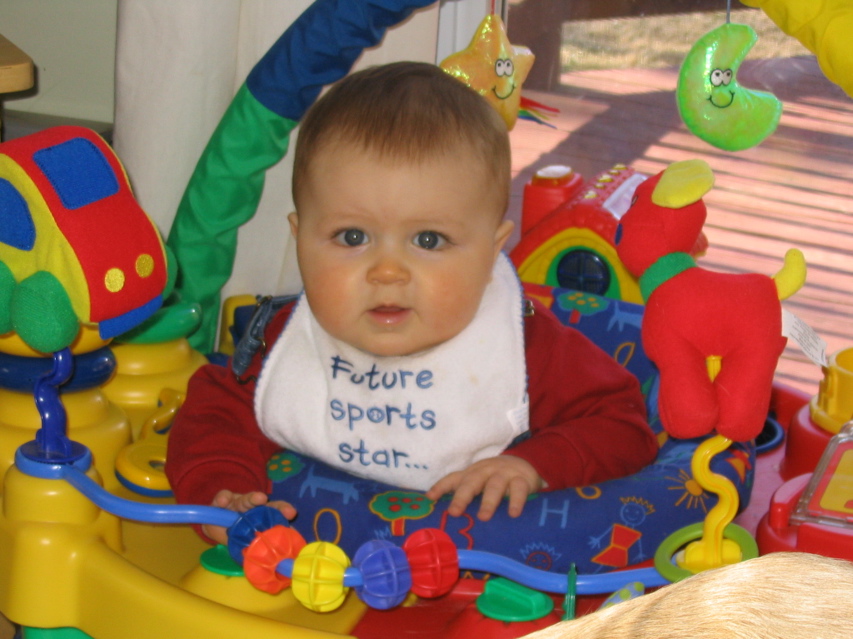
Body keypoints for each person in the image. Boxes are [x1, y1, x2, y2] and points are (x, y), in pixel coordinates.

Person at [165, 61, 657, 545]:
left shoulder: (523, 350)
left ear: (491, 252)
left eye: (428, 240)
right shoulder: (288, 343)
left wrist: (533, 465)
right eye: (352, 236)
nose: (388, 271)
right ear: (300, 239)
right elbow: (214, 411)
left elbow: (623, 424)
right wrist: (221, 491)